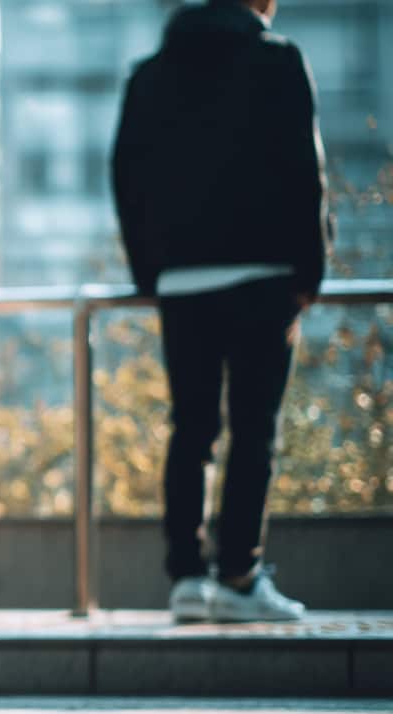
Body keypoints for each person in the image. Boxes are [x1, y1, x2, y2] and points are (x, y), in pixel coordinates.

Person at [111, 0, 329, 622]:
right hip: (265, 273)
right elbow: (303, 169)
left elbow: (125, 172)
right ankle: (238, 576)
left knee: (193, 428)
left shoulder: (149, 74)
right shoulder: (278, 59)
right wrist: (310, 270)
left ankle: (186, 577)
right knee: (253, 428)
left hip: (182, 279)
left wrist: (148, 271)